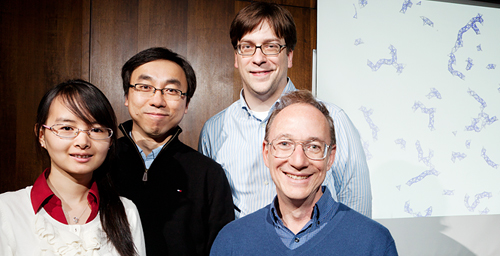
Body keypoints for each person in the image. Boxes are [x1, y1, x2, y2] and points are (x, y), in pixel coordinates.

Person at [199, 2, 372, 219]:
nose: (259, 58)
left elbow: (357, 214)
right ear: (236, 57)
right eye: (247, 46)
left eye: (271, 46)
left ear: (289, 56)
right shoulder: (213, 131)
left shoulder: (334, 119)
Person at [210, 90, 397, 255]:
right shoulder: (231, 241)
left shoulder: (374, 242)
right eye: (285, 144)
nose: (298, 161)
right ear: (266, 153)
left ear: (330, 157)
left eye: (313, 146)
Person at [110, 47, 234, 255]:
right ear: (126, 95)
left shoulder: (208, 174)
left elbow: (221, 249)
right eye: (144, 86)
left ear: (186, 103)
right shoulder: (100, 162)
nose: (157, 100)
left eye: (172, 91)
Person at [0, 79, 146, 255]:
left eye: (96, 130)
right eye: (67, 128)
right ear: (41, 136)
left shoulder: (126, 212)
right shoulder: (6, 210)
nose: (83, 142)